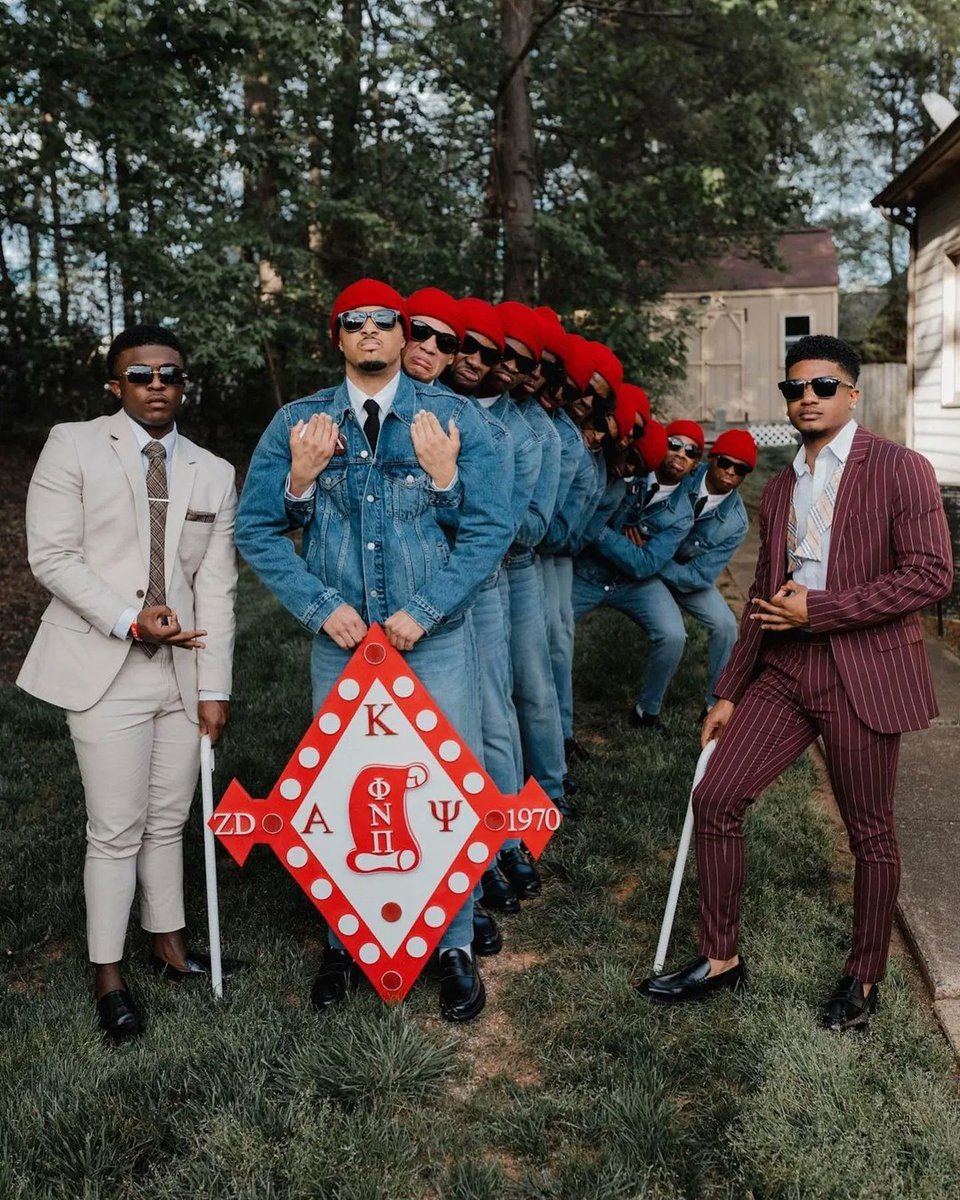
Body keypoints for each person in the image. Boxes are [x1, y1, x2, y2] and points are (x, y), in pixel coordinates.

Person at [638, 335, 953, 1032]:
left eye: (820, 386)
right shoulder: (780, 485)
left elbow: (932, 574)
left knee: (870, 832)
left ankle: (863, 976)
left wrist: (826, 607)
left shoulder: (901, 469)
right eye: (793, 389)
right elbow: (760, 592)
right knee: (715, 796)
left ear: (852, 393)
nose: (805, 398)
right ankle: (720, 957)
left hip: (859, 671)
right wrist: (728, 689)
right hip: (783, 669)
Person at [234, 279, 512, 1022]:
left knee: (442, 791)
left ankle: (451, 943)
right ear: (338, 338)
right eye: (351, 323)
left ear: (402, 334)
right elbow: (256, 528)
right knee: (343, 788)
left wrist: (424, 606)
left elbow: (491, 528)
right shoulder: (299, 422)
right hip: (344, 649)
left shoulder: (449, 419)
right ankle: (343, 940)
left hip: (435, 643)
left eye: (384, 322)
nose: (369, 333)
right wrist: (321, 599)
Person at [17, 324, 238, 1043]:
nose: (156, 386)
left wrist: (216, 687)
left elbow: (218, 588)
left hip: (180, 676)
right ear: (116, 386)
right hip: (104, 667)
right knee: (115, 829)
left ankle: (168, 941)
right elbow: (51, 556)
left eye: (169, 374)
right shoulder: (73, 444)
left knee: (168, 819)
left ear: (183, 383)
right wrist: (129, 618)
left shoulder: (212, 471)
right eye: (140, 375)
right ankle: (107, 972)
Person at [573, 419, 700, 733]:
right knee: (552, 635)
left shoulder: (682, 513)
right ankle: (557, 723)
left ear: (696, 463)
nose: (681, 453)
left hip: (635, 583)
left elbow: (645, 565)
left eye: (691, 450)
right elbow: (586, 515)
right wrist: (618, 540)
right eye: (674, 443)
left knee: (673, 634)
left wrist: (603, 534)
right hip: (586, 573)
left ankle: (647, 712)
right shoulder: (630, 469)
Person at [650, 428, 756, 721]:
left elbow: (699, 577)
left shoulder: (736, 522)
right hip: (651, 563)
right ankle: (648, 708)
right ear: (710, 459)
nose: (730, 472)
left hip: (681, 573)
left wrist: (651, 561)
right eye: (724, 462)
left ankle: (713, 706)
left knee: (726, 626)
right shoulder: (682, 475)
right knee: (673, 633)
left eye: (740, 469)